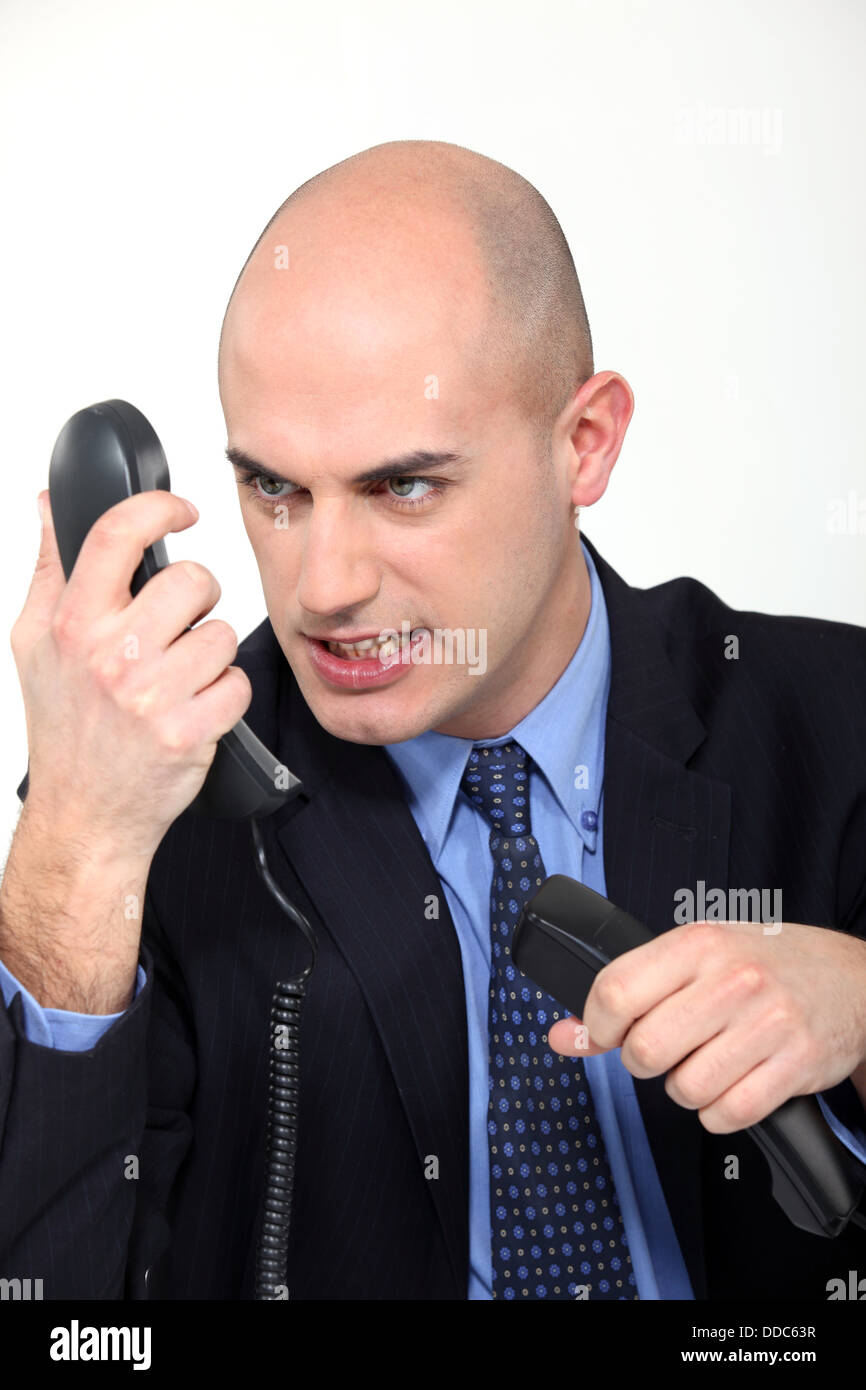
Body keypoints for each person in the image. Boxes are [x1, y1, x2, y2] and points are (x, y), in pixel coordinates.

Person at [1, 139, 865, 1301]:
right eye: (274, 489)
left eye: (401, 486)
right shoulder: (154, 808)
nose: (321, 587)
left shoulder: (831, 717)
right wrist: (74, 840)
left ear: (584, 443)